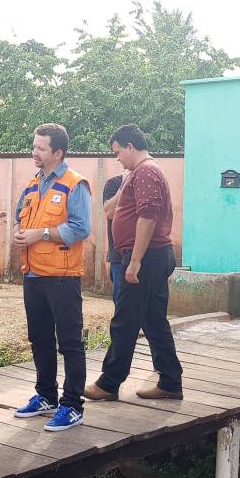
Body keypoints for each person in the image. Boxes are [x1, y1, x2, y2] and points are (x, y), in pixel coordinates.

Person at [84, 124, 183, 402]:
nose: (117, 159)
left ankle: (109, 383)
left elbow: (148, 216)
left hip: (147, 257)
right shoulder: (139, 172)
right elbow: (112, 209)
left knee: (125, 321)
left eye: (118, 152)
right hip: (153, 255)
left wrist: (135, 260)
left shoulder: (147, 171)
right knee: (153, 320)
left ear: (130, 146)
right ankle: (170, 381)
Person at [12, 123, 91, 431]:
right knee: (40, 338)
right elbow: (22, 217)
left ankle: (72, 405)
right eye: (34, 146)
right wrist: (21, 235)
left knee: (70, 342)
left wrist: (39, 234)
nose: (35, 152)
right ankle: (46, 395)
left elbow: (81, 228)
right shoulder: (33, 183)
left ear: (58, 152)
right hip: (32, 274)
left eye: (41, 148)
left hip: (62, 275)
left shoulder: (75, 184)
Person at [102, 173, 125, 304]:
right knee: (122, 306)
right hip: (119, 258)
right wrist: (123, 186)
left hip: (147, 256)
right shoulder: (114, 183)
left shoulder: (147, 181)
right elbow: (110, 212)